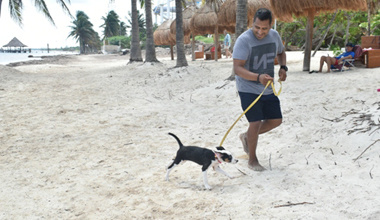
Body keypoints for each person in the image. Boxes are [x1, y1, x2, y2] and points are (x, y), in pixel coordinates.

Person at [233, 8, 287, 171]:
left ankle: (246, 137)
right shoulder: (244, 40)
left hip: (267, 87)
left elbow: (281, 52)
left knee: (276, 120)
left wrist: (283, 67)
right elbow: (237, 68)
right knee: (255, 123)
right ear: (252, 23)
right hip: (248, 87)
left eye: (264, 28)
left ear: (271, 26)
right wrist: (258, 78)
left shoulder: (274, 36)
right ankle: (253, 160)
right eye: (257, 27)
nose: (260, 32)